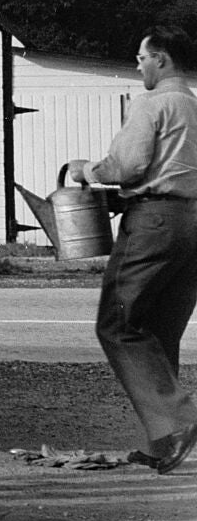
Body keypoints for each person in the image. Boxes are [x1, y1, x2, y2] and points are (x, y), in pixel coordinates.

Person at [68, 27, 197, 474]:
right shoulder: (194, 104)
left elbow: (127, 165)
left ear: (161, 59)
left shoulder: (152, 102)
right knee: (160, 333)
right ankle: (166, 442)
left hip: (155, 220)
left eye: (141, 58)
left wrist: (86, 169)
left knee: (118, 323)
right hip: (193, 222)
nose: (137, 65)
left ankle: (181, 419)